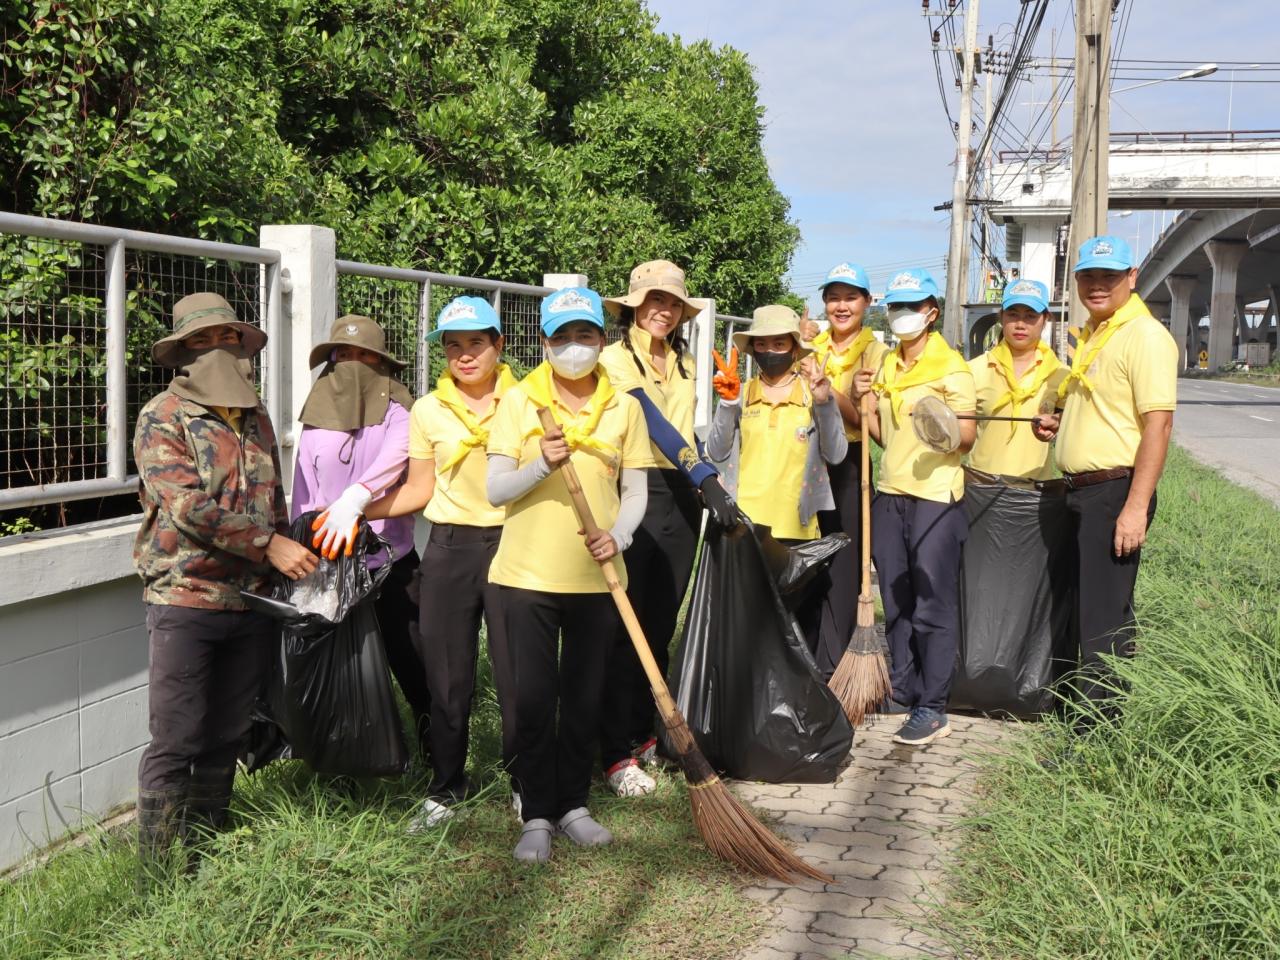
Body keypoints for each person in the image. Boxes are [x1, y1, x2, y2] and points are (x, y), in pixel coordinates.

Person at [132, 292, 317, 886]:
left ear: (242, 346)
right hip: (186, 596)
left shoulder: (255, 416)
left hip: (252, 600)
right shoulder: (163, 415)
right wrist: (269, 547)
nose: (217, 349)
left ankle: (207, 845)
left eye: (227, 339)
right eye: (201, 341)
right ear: (183, 352)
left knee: (229, 730)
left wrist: (281, 556)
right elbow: (185, 505)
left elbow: (274, 498)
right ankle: (161, 876)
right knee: (178, 735)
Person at [485, 286, 654, 862]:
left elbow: (635, 491)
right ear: (544, 342)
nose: (575, 347)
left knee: (584, 697)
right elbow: (495, 489)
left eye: (586, 335)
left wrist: (621, 535)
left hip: (598, 576)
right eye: (563, 337)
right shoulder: (520, 403)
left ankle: (574, 804)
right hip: (525, 577)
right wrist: (542, 463)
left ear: (602, 341)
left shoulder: (624, 406)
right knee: (532, 700)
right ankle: (535, 812)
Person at [364, 297, 517, 828]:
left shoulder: (525, 402)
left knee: (516, 671)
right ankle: (448, 785)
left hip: (513, 545)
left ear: (499, 344)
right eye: (454, 345)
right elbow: (419, 489)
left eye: (476, 343)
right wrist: (354, 508)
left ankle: (526, 780)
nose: (465, 355)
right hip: (449, 550)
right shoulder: (428, 410)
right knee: (447, 676)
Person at [597, 260, 736, 797]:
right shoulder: (613, 359)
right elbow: (647, 420)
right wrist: (702, 471)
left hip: (680, 494)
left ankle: (642, 732)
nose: (663, 310)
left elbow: (684, 430)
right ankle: (608, 752)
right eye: (654, 300)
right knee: (620, 627)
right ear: (634, 305)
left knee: (658, 623)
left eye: (673, 302)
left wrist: (706, 477)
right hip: (632, 489)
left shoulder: (682, 361)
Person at [1034, 236, 1177, 729]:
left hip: (1114, 492)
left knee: (1103, 617)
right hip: (1081, 490)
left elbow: (1158, 424)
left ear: (1131, 278)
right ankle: (1078, 712)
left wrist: (1135, 507)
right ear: (1076, 282)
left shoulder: (1144, 336)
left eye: (1109, 278)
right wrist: (1059, 422)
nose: (1098, 286)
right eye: (1089, 277)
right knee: (1082, 607)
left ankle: (1096, 733)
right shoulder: (1097, 333)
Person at [295, 315, 432, 761]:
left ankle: (437, 753)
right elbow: (303, 490)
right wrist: (304, 540)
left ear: (382, 363)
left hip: (390, 560)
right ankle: (349, 762)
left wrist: (357, 498)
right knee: (342, 671)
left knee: (413, 662)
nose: (354, 364)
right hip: (332, 563)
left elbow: (397, 462)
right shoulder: (316, 420)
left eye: (365, 356)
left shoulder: (400, 412)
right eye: (344, 355)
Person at [851, 268, 975, 745]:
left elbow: (965, 438)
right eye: (896, 306)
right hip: (891, 493)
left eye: (913, 306)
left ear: (932, 311)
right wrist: (863, 401)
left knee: (932, 605)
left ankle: (933, 706)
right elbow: (883, 435)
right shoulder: (885, 366)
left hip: (936, 500)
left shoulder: (952, 368)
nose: (904, 315)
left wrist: (939, 427)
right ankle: (903, 688)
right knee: (897, 602)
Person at [707, 304, 846, 652]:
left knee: (797, 630)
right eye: (762, 344)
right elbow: (716, 451)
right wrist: (727, 404)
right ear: (752, 348)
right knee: (748, 626)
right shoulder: (741, 391)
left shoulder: (811, 395)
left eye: (779, 344)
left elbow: (836, 453)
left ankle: (798, 703)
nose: (770, 352)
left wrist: (825, 402)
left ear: (795, 348)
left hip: (797, 530)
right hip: (745, 528)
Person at [802, 263, 890, 679]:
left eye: (850, 297)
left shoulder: (876, 352)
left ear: (867, 303)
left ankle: (835, 661)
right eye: (833, 297)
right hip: (805, 460)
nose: (841, 306)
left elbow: (864, 420)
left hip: (851, 463)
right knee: (806, 557)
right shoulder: (811, 346)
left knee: (844, 559)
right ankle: (806, 649)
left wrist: (827, 390)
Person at [968, 279, 1067, 482]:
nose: (1021, 324)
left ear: (1045, 319)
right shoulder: (974, 370)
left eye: (1031, 316)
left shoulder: (1060, 374)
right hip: (980, 489)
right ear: (1001, 317)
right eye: (1013, 314)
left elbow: (1073, 423)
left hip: (1035, 493)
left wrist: (1056, 424)